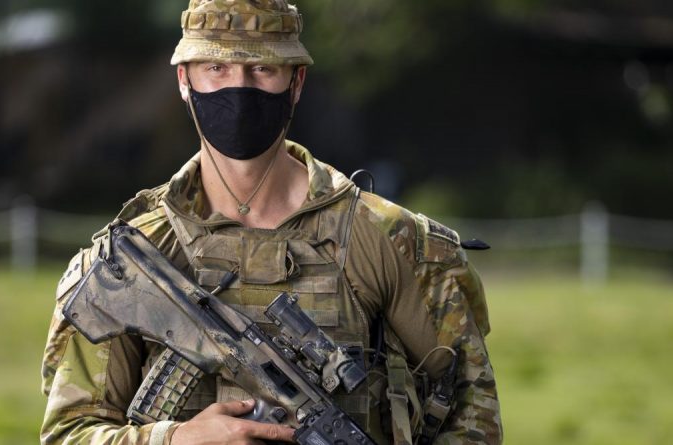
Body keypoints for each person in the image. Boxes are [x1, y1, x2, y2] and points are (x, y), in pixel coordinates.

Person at [40, 1, 503, 444]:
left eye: (262, 69)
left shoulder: (390, 241)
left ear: (296, 82)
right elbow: (68, 433)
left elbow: (472, 417)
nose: (238, 90)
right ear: (185, 80)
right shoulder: (135, 253)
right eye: (216, 69)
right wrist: (173, 438)